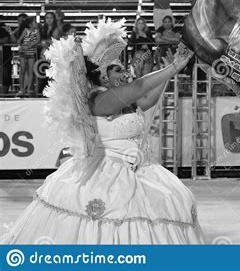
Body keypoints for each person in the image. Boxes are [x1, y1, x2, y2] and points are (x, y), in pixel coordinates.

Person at [0, 19, 204, 244]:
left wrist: (168, 76)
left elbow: (146, 99)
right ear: (104, 75)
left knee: (174, 199)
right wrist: (174, 67)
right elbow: (139, 88)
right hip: (108, 173)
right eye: (118, 68)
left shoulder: (120, 98)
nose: (124, 71)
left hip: (141, 168)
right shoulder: (98, 99)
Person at [38, 12, 61, 95]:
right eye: (47, 17)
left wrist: (45, 42)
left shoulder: (57, 29)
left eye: (51, 17)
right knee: (42, 72)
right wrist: (44, 43)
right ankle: (42, 92)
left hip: (53, 53)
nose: (49, 19)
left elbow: (54, 40)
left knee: (52, 73)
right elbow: (39, 41)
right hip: (43, 53)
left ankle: (52, 92)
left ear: (54, 19)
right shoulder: (42, 29)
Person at [17, 17, 40, 97]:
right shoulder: (25, 31)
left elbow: (38, 40)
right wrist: (21, 46)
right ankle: (21, 89)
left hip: (31, 53)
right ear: (30, 24)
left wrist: (30, 45)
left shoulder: (37, 31)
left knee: (31, 72)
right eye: (35, 22)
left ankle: (29, 89)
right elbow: (19, 40)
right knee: (22, 71)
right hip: (23, 53)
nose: (36, 24)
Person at [0, 17, 16, 95]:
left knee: (5, 75)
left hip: (5, 56)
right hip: (4, 56)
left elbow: (6, 40)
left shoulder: (5, 29)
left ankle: (3, 94)